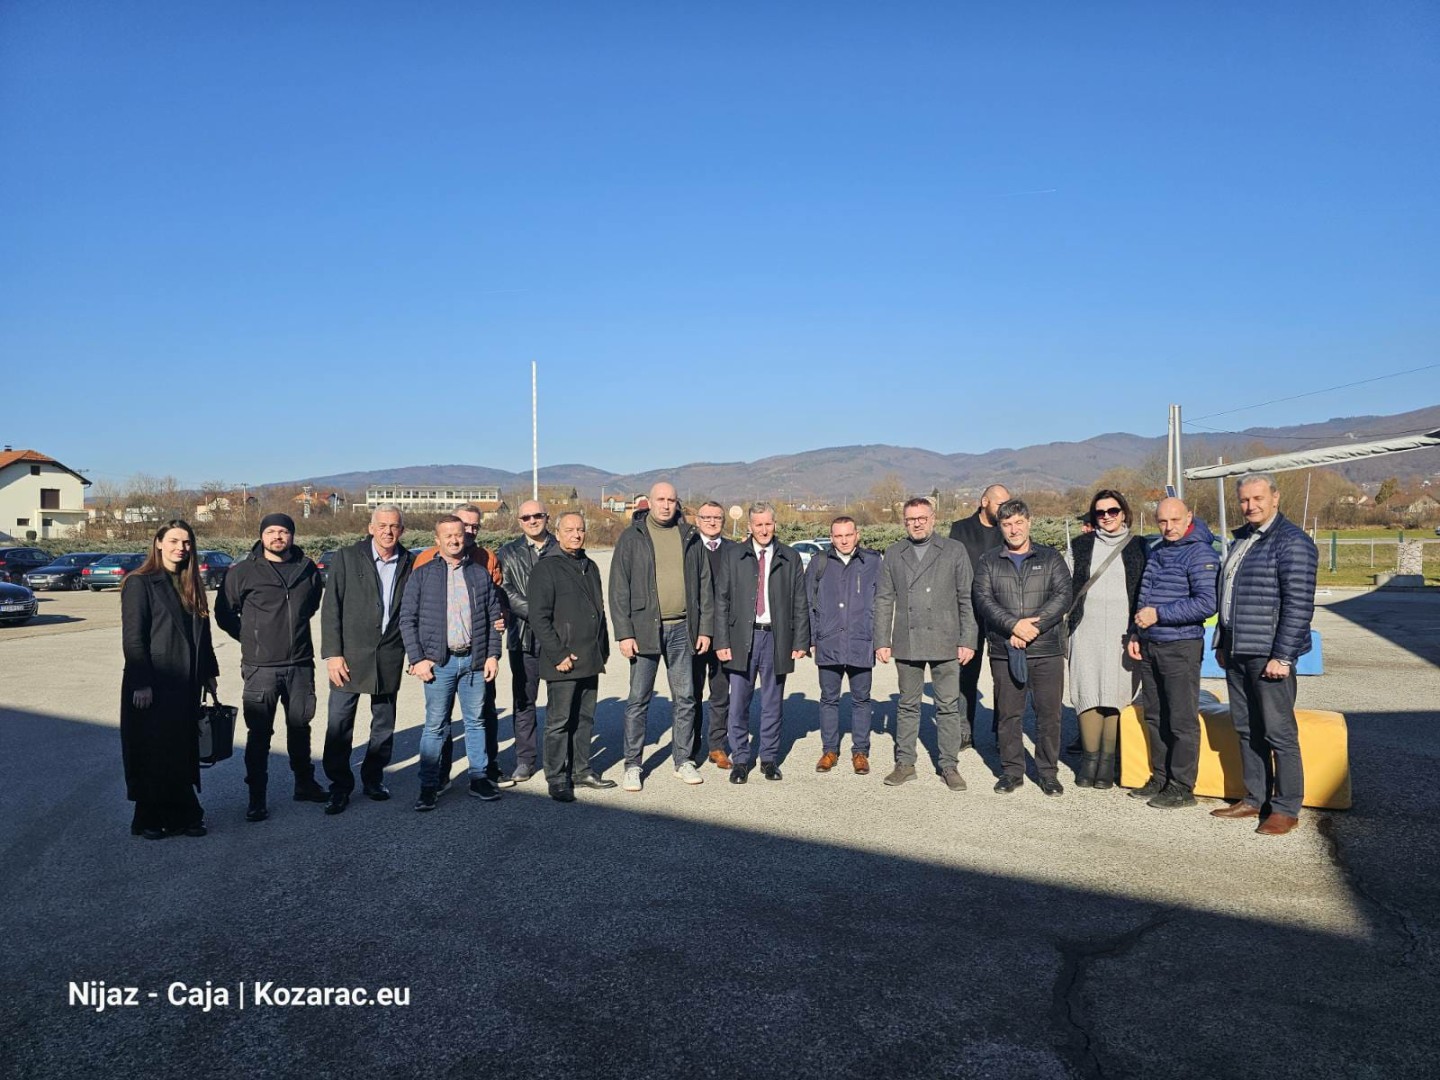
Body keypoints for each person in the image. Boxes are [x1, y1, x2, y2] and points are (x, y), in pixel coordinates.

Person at [1211, 473, 1318, 836]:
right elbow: (1228, 595)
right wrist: (1222, 642)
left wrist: (1283, 656)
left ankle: (1285, 808)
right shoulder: (1241, 539)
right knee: (1246, 728)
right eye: (1244, 500)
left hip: (1269, 654)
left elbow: (1298, 606)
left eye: (1258, 498)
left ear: (1275, 498)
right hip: (1237, 650)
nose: (1250, 506)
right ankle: (1255, 797)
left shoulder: (1293, 543)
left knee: (1278, 732)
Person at [217, 512, 326, 822]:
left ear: (292, 535)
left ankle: (304, 784)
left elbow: (311, 605)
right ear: (262, 535)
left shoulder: (307, 569)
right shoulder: (242, 572)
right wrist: (250, 638)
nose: (278, 536)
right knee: (260, 733)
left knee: (300, 727)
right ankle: (257, 798)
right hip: (260, 668)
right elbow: (224, 613)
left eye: (283, 532)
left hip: (300, 665)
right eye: (271, 532)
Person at [609, 481, 713, 791]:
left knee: (686, 697)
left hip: (683, 629)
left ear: (677, 503)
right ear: (649, 502)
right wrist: (624, 633)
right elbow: (618, 588)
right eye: (661, 499)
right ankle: (632, 764)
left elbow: (704, 585)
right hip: (644, 630)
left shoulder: (690, 536)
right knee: (638, 700)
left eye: (671, 500)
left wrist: (705, 628)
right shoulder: (632, 537)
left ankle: (683, 760)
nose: (666, 505)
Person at [121, 520, 219, 839]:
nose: (181, 548)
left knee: (180, 751)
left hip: (186, 683)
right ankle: (153, 817)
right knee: (154, 752)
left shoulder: (191, 582)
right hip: (154, 682)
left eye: (187, 542)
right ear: (159, 543)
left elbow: (203, 634)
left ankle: (177, 816)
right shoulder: (140, 582)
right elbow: (133, 638)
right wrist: (141, 683)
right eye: (174, 541)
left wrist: (209, 673)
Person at [399, 516, 504, 811]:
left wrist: (492, 655)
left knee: (476, 722)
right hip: (438, 663)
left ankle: (479, 777)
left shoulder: (479, 573)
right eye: (448, 536)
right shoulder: (422, 575)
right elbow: (407, 620)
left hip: (474, 660)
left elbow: (493, 617)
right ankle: (429, 785)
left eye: (458, 535)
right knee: (435, 725)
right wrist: (417, 659)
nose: (455, 540)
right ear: (437, 540)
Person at [873, 497, 979, 790]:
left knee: (947, 706)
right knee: (908, 704)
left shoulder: (954, 550)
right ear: (904, 522)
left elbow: (966, 597)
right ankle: (905, 764)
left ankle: (949, 765)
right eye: (911, 519)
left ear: (933, 518)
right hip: (907, 639)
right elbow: (884, 599)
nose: (917, 524)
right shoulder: (894, 553)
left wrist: (968, 639)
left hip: (946, 638)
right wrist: (882, 639)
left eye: (922, 518)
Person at [318, 505, 415, 814]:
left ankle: (373, 778)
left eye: (394, 526)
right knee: (339, 723)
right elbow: (331, 607)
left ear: (402, 530)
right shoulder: (347, 557)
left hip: (388, 655)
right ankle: (339, 786)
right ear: (371, 528)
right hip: (348, 657)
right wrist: (333, 653)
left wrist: (416, 653)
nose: (388, 531)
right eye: (382, 525)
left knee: (383, 724)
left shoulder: (410, 562)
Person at [972, 499, 1073, 795]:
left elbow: (1063, 596)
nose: (1014, 529)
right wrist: (1013, 626)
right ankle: (1012, 771)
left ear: (1029, 522)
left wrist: (1032, 627)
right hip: (1005, 649)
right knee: (1008, 714)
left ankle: (1048, 772)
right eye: (1007, 524)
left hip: (1047, 650)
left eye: (1018, 522)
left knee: (1049, 715)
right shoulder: (989, 561)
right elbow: (983, 599)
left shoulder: (1051, 557)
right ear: (1000, 528)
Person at [1126, 497, 1218, 809]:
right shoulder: (1158, 550)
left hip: (1180, 646)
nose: (1169, 527)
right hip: (1151, 643)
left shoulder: (1201, 553)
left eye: (1175, 520)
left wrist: (1159, 615)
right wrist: (1137, 631)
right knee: (1155, 715)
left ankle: (1182, 786)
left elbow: (1206, 602)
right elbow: (1145, 596)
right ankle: (1161, 776)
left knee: (1181, 718)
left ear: (1189, 517)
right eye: (1162, 521)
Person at [713, 502, 810, 784]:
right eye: (758, 525)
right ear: (750, 526)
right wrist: (722, 640)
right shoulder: (733, 555)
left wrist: (800, 640)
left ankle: (768, 758)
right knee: (738, 703)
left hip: (776, 638)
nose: (764, 530)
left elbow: (800, 601)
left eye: (768, 524)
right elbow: (722, 600)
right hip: (741, 637)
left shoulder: (790, 557)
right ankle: (741, 760)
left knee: (772, 703)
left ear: (774, 524)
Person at [528, 512, 616, 802]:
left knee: (585, 719)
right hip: (564, 658)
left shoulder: (589, 565)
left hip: (590, 655)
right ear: (557, 533)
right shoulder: (546, 568)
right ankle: (556, 777)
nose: (576, 535)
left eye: (580, 529)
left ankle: (581, 770)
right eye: (569, 530)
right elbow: (539, 618)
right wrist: (558, 654)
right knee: (559, 721)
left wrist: (602, 648)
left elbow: (598, 610)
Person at [1065, 489, 1147, 790]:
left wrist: (1139, 630)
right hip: (1085, 631)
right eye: (1100, 512)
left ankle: (1108, 762)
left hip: (1123, 633)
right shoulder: (1080, 546)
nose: (1107, 517)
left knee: (1115, 693)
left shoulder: (1140, 547)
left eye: (1113, 511)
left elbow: (1147, 588)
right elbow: (1063, 585)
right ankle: (1089, 760)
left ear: (1124, 513)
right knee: (1087, 690)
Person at [806, 516, 881, 774]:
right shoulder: (819, 562)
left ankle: (860, 751)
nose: (844, 540)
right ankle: (829, 750)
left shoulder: (872, 562)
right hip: (829, 641)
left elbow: (883, 602)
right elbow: (808, 602)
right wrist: (812, 638)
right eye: (838, 536)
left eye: (848, 535)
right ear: (831, 538)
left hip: (861, 641)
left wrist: (880, 639)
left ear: (857, 534)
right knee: (829, 699)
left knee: (861, 699)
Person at [498, 498, 556, 784]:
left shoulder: (561, 547)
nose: (532, 521)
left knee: (560, 701)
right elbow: (505, 589)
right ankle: (525, 759)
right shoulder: (508, 552)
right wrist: (538, 613)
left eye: (537, 516)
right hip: (523, 637)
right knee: (524, 700)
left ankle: (558, 758)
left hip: (558, 637)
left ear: (547, 517)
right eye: (526, 517)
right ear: (519, 521)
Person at [949, 483, 1011, 742]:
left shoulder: (1007, 530)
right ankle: (964, 730)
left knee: (1004, 676)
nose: (1005, 509)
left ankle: (1002, 733)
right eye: (1000, 504)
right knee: (966, 674)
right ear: (985, 501)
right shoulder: (960, 529)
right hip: (969, 612)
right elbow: (951, 570)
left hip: (1001, 612)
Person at [690, 500, 734, 769]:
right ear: (697, 520)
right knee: (691, 694)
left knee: (720, 694)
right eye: (706, 517)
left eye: (717, 517)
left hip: (723, 635)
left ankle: (717, 746)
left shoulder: (734, 551)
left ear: (723, 521)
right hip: (695, 634)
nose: (712, 522)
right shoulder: (689, 548)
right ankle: (691, 747)